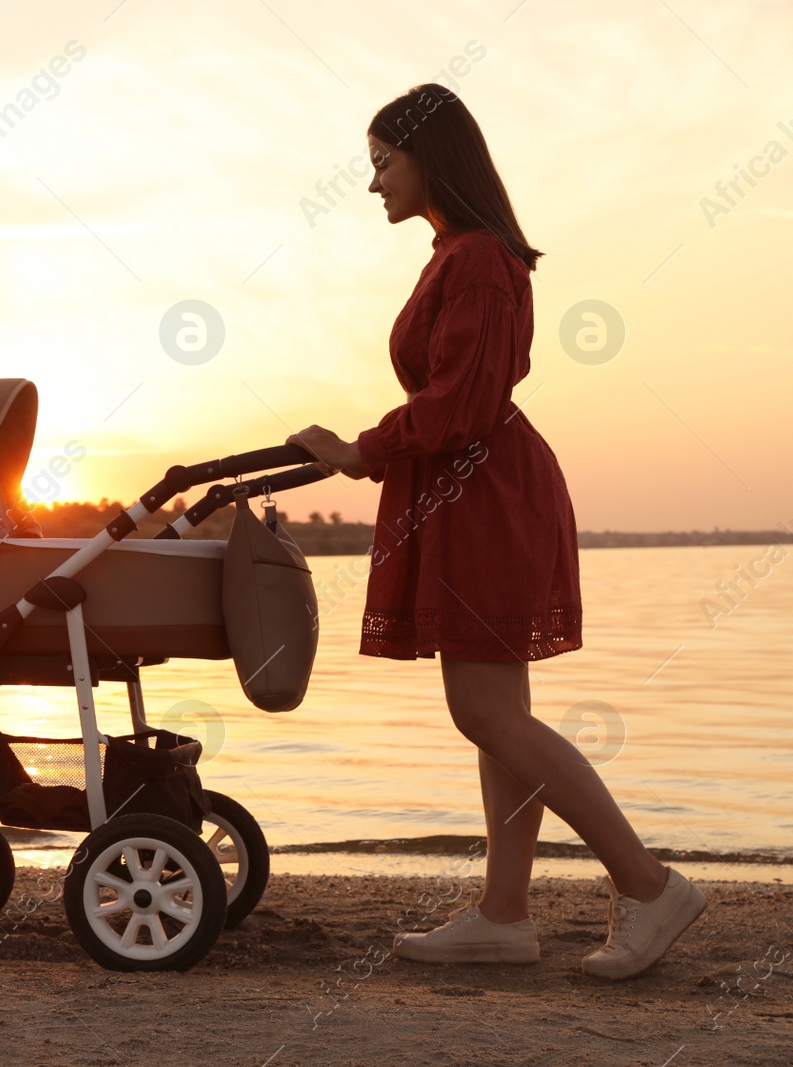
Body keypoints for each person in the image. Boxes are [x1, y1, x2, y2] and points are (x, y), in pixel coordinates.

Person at [287, 84, 705, 980]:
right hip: (472, 491)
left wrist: (358, 450)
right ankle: (504, 914)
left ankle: (648, 884)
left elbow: (461, 405)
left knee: (480, 709)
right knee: (497, 715)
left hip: (481, 495)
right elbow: (454, 401)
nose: (372, 187)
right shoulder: (459, 254)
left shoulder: (476, 259)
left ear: (428, 157)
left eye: (381, 164)